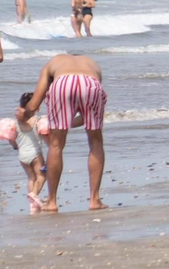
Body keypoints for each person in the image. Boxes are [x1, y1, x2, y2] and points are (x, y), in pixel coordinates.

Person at [17, 54, 108, 212]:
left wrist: (24, 115)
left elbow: (33, 106)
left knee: (56, 144)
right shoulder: (92, 64)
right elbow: (86, 116)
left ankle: (52, 201)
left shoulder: (51, 64)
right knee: (96, 142)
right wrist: (69, 122)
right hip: (91, 83)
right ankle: (95, 200)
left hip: (62, 84)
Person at [2, 94, 49, 212]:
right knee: (42, 176)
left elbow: (11, 139)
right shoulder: (37, 121)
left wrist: (15, 147)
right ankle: (34, 194)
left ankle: (32, 204)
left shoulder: (14, 123)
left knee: (31, 178)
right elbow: (45, 136)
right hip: (36, 154)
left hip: (22, 155)